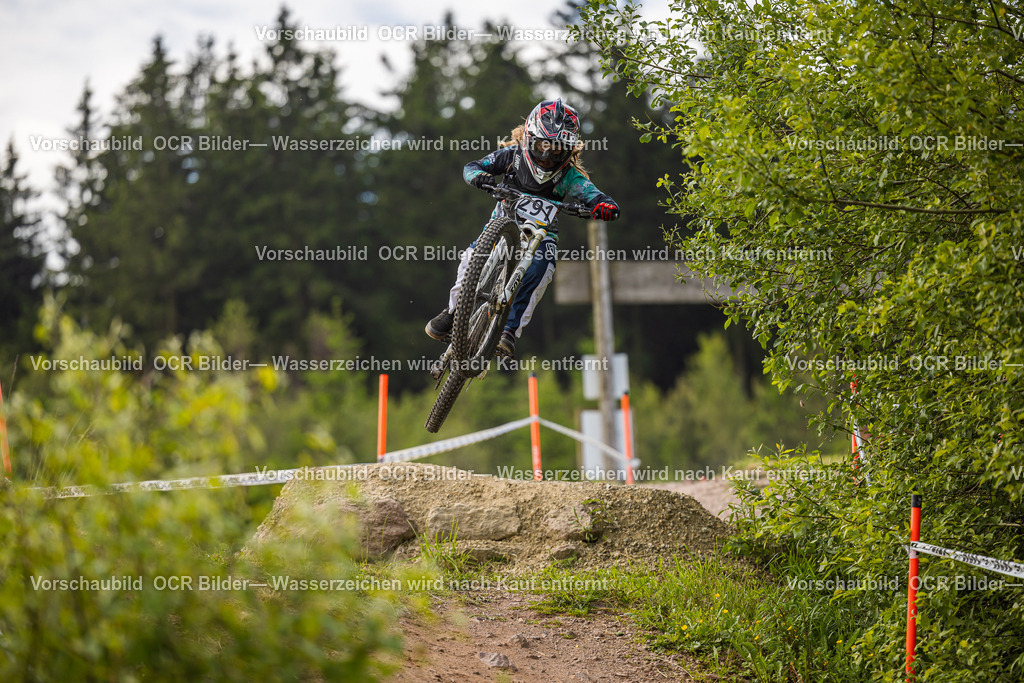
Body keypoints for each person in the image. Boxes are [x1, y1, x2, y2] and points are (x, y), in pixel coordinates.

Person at [425, 98, 619, 359]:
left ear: (570, 151)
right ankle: (453, 313)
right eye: (542, 147)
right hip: (503, 223)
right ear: (528, 138)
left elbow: (598, 197)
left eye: (557, 152)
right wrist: (479, 177)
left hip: (542, 234)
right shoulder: (511, 156)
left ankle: (509, 332)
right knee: (473, 258)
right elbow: (471, 167)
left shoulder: (570, 177)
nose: (547, 157)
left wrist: (605, 207)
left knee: (542, 269)